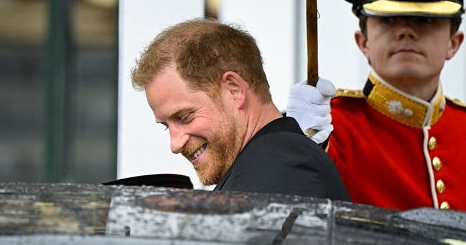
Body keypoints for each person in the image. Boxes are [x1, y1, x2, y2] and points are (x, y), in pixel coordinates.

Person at [287, 0, 466, 214]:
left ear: (454, 43)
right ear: (363, 43)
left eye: (426, 19)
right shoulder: (327, 129)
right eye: (388, 19)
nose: (406, 32)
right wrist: (291, 140)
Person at [131, 18, 351, 201]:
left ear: (234, 90)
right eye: (165, 126)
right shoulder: (268, 165)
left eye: (185, 117)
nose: (175, 145)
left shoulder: (280, 171)